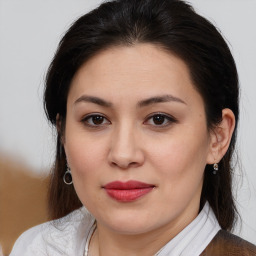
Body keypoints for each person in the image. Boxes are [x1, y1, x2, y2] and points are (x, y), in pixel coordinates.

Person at [10, 0, 256, 255]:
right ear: (63, 133)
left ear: (218, 137)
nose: (123, 155)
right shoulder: (36, 247)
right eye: (96, 119)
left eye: (159, 119)